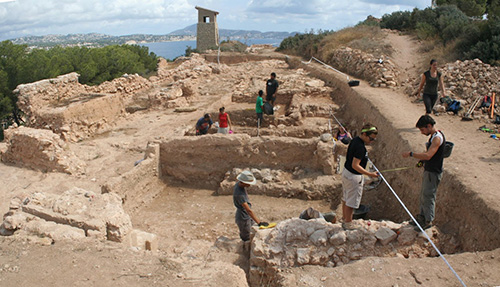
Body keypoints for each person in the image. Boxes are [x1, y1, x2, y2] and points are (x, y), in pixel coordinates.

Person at [402, 115, 445, 231]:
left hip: (433, 172)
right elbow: (427, 155)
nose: (421, 132)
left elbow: (428, 155)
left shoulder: (437, 138)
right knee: (424, 195)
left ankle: (428, 221)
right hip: (428, 170)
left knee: (429, 196)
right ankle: (422, 217)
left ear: (429, 126)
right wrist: (422, 162)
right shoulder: (433, 137)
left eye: (422, 129)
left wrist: (411, 154)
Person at [341, 123, 379, 230]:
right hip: (353, 176)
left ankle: (344, 219)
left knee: (346, 198)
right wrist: (370, 174)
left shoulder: (355, 140)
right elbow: (355, 165)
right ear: (365, 134)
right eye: (371, 138)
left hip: (346, 173)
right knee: (351, 202)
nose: (371, 141)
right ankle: (348, 224)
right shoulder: (360, 147)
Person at [233, 170, 268, 242]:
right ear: (243, 182)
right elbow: (248, 210)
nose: (249, 185)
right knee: (247, 238)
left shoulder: (239, 184)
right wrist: (259, 223)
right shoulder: (240, 194)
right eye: (248, 183)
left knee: (252, 232)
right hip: (243, 218)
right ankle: (245, 251)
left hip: (246, 216)